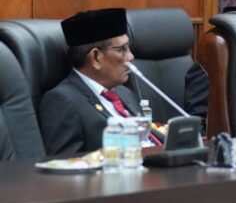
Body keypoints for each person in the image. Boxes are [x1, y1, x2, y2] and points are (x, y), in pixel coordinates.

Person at [39, 8, 159, 155]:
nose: (131, 57)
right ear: (96, 57)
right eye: (122, 49)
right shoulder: (61, 101)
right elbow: (66, 162)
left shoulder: (124, 92)